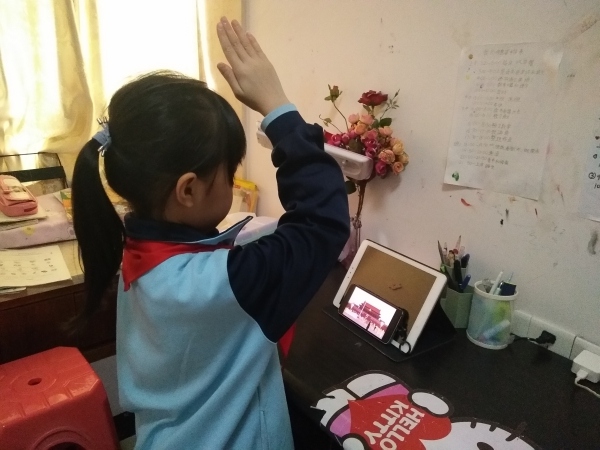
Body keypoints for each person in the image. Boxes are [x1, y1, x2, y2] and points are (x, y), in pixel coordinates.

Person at [70, 17, 349, 450]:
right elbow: (322, 222)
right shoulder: (217, 284)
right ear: (187, 190)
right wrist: (277, 107)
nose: (234, 182)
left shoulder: (140, 249)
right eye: (229, 172)